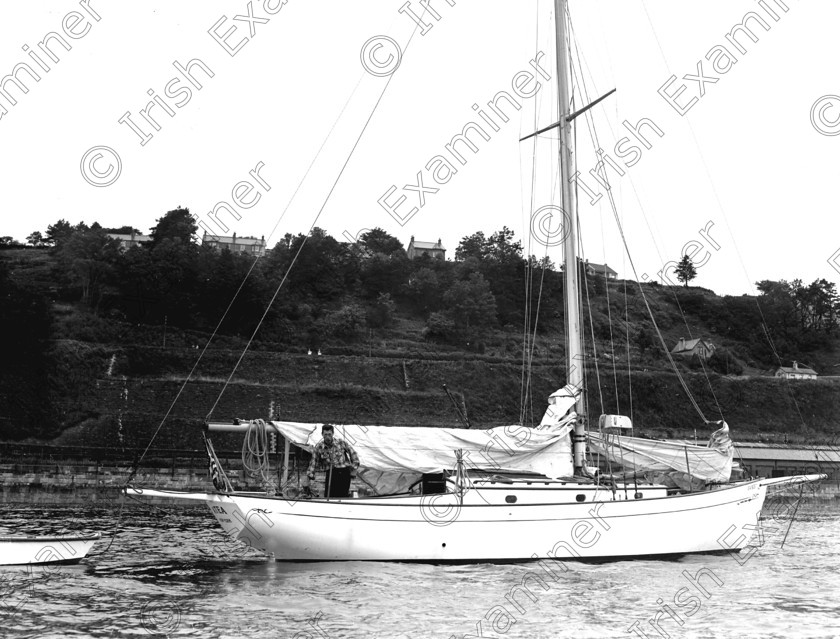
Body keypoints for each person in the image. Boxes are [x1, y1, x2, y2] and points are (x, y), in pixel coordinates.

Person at [306, 424, 360, 498]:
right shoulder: (319, 447)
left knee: (343, 496)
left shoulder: (341, 443)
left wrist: (353, 467)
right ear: (322, 434)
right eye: (325, 434)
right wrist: (310, 475)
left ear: (333, 434)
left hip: (344, 473)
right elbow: (313, 462)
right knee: (330, 496)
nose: (328, 437)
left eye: (329, 434)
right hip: (331, 473)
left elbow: (353, 453)